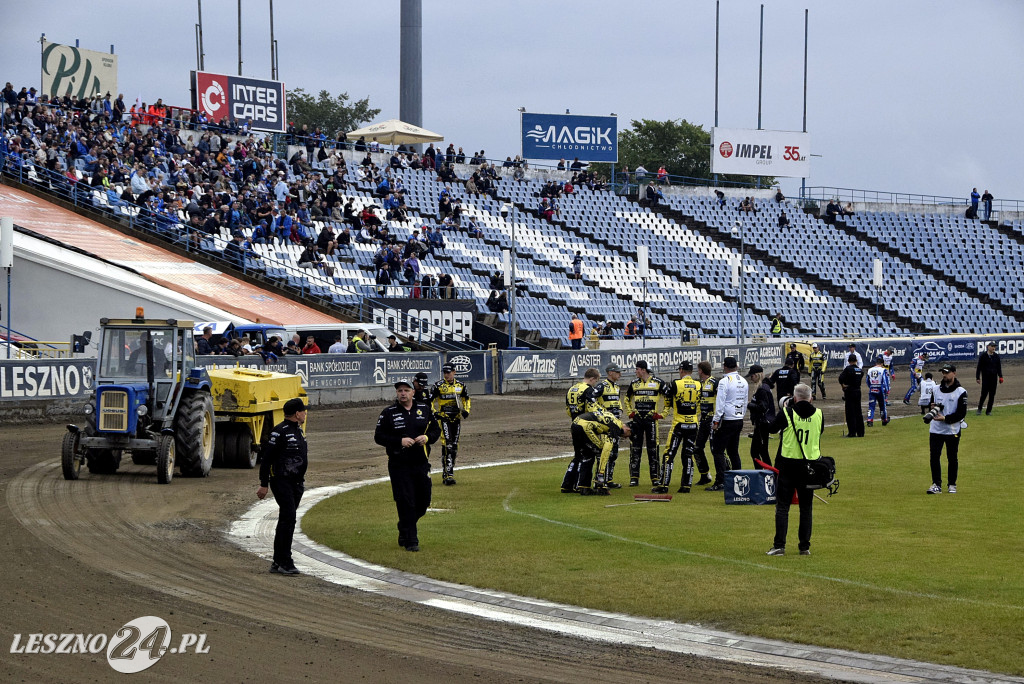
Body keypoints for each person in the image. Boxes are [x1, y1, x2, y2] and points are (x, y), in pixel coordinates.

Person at [374, 379, 441, 551]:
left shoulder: (424, 409)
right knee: (406, 502)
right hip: (399, 464)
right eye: (399, 391)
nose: (402, 393)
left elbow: (435, 430)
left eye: (406, 390)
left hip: (421, 463)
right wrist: (399, 441)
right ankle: (412, 540)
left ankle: (404, 526)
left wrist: (427, 438)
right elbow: (379, 437)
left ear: (413, 392)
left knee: (424, 501)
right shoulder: (388, 412)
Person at [765, 384, 823, 557]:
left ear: (795, 398)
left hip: (788, 465)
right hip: (810, 466)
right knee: (806, 508)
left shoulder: (788, 413)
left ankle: (779, 545)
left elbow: (772, 428)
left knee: (782, 507)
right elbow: (818, 433)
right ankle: (804, 546)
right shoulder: (819, 414)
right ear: (811, 398)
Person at [256, 397, 309, 575]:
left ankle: (278, 561)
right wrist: (264, 484)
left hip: (296, 483)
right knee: (289, 518)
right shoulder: (279, 432)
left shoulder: (299, 431)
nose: (305, 413)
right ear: (297, 413)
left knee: (287, 520)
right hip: (281, 481)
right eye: (303, 411)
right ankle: (285, 561)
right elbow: (266, 460)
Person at [656, 361, 702, 494]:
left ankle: (664, 484)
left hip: (679, 424)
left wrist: (667, 410)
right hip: (693, 424)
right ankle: (686, 485)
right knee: (688, 455)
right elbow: (699, 403)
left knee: (669, 454)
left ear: (681, 370)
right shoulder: (698, 384)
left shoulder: (676, 383)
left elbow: (667, 398)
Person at [623, 360, 667, 488]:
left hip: (651, 420)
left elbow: (668, 398)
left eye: (637, 369)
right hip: (637, 421)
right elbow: (627, 398)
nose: (636, 371)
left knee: (653, 449)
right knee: (635, 449)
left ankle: (655, 478)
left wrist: (662, 414)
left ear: (643, 369)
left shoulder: (658, 382)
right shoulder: (634, 383)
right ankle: (634, 478)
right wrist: (630, 412)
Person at [707, 357, 749, 491]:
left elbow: (720, 402)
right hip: (738, 419)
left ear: (725, 366)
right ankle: (738, 479)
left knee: (718, 451)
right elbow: (744, 401)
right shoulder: (744, 380)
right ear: (736, 366)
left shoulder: (724, 381)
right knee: (733, 451)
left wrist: (716, 421)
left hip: (727, 420)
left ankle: (721, 481)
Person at [926, 364, 968, 495]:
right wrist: (932, 408)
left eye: (947, 372)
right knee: (934, 457)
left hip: (952, 430)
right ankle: (936, 484)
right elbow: (931, 407)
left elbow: (961, 413)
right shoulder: (935, 389)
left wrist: (945, 418)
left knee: (952, 458)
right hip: (936, 429)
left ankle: (952, 484)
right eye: (943, 373)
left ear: (954, 373)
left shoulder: (961, 392)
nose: (944, 375)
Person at [561, 368, 604, 493]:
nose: (595, 384)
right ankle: (582, 485)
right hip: (585, 425)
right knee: (588, 455)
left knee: (578, 455)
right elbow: (592, 408)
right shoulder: (588, 390)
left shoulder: (571, 389)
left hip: (574, 424)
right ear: (592, 379)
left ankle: (567, 484)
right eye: (595, 381)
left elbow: (568, 410)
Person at [430, 363, 471, 486]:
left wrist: (466, 411)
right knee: (447, 444)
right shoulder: (438, 385)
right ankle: (449, 474)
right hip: (444, 419)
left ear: (454, 372)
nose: (446, 375)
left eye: (448, 372)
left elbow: (466, 399)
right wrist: (435, 413)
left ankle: (447, 471)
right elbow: (430, 401)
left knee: (454, 446)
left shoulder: (461, 385)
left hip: (456, 419)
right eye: (444, 372)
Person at [592, 363, 625, 488]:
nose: (620, 374)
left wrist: (620, 410)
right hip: (605, 424)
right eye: (617, 372)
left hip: (615, 423)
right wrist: (602, 413)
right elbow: (592, 399)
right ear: (610, 372)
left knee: (614, 452)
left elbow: (618, 401)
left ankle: (608, 479)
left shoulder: (616, 386)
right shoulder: (602, 386)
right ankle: (601, 478)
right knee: (606, 451)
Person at [692, 361, 717, 487]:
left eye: (698, 369)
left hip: (713, 420)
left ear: (701, 370)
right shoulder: (700, 385)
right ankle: (705, 474)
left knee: (716, 449)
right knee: (697, 448)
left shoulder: (714, 383)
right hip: (703, 420)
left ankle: (725, 475)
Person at [746, 364, 775, 470]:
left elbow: (763, 407)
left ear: (757, 375)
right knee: (761, 451)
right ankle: (766, 474)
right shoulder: (763, 387)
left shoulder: (762, 389)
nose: (750, 378)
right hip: (761, 423)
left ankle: (764, 474)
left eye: (752, 376)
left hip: (762, 424)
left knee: (757, 452)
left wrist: (749, 405)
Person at [838, 354, 865, 437]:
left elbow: (840, 378)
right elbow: (861, 375)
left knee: (850, 412)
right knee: (858, 412)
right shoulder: (860, 370)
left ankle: (852, 432)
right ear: (856, 361)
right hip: (858, 391)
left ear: (849, 361)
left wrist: (843, 385)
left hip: (849, 391)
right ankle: (860, 432)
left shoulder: (848, 369)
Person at [975, 341, 1003, 415]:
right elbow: (979, 367)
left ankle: (988, 411)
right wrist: (977, 377)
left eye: (994, 346)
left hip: (994, 378)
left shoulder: (996, 356)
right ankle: (979, 409)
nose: (994, 348)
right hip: (986, 378)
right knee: (984, 394)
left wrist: (1000, 376)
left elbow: (999, 367)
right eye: (992, 346)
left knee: (992, 395)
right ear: (988, 347)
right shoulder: (983, 356)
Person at [865, 356, 891, 428]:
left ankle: (870, 420)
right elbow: (885, 381)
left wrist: (871, 386)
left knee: (871, 406)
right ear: (882, 363)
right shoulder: (883, 370)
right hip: (880, 389)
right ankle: (884, 420)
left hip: (872, 388)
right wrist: (887, 390)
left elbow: (867, 380)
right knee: (882, 406)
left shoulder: (870, 370)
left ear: (876, 363)